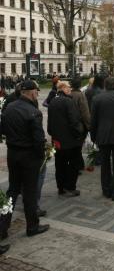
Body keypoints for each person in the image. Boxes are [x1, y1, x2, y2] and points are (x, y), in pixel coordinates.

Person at [0, 79, 49, 241]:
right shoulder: (33, 111)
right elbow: (38, 139)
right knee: (29, 192)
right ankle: (32, 226)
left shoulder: (9, 108)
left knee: (12, 191)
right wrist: (41, 156)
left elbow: (3, 130)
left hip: (13, 154)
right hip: (29, 156)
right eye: (36, 92)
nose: (37, 94)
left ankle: (2, 226)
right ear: (32, 92)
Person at [48, 81, 84, 197]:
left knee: (60, 164)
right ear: (62, 88)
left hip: (57, 140)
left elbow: (50, 123)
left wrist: (53, 134)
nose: (70, 89)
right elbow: (74, 121)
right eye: (69, 87)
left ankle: (61, 187)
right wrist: (79, 133)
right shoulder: (69, 101)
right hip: (71, 140)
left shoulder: (53, 101)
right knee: (73, 164)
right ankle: (70, 187)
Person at [70, 77, 91, 172]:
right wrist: (89, 125)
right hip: (80, 124)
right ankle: (78, 165)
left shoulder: (69, 94)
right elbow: (85, 112)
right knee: (78, 146)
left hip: (71, 124)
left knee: (74, 145)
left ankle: (78, 163)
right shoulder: (80, 95)